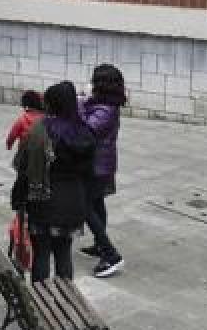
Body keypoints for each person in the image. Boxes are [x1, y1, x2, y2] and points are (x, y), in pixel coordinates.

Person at [13, 81, 95, 282]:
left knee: (41, 254)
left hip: (42, 200)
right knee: (63, 253)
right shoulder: (85, 132)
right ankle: (66, 301)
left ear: (50, 103)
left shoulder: (38, 131)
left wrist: (17, 199)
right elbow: (90, 171)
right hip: (73, 201)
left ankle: (42, 304)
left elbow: (23, 169)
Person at [80, 64, 126, 278]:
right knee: (97, 204)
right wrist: (84, 100)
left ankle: (111, 255)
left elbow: (86, 129)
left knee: (85, 205)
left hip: (96, 166)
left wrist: (79, 104)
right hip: (99, 164)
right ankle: (100, 244)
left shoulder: (106, 110)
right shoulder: (104, 104)